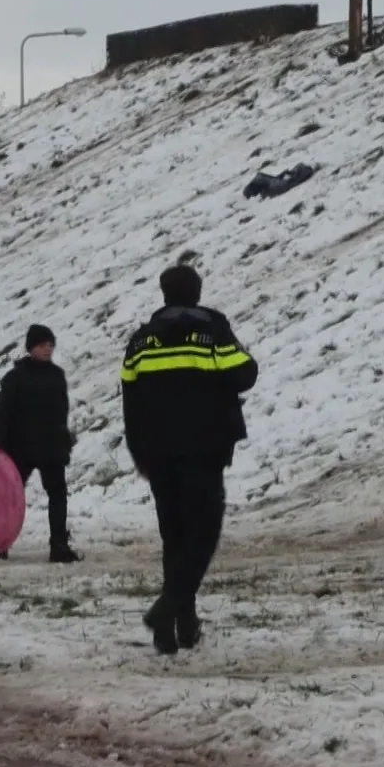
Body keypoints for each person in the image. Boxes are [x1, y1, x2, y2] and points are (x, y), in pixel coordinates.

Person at [120, 264, 258, 655]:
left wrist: (138, 451)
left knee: (174, 536)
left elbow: (129, 400)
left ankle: (179, 627)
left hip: (158, 454)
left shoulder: (140, 341)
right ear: (197, 293)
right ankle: (169, 607)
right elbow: (245, 373)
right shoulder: (211, 331)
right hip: (204, 449)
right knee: (203, 534)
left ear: (164, 294)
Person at [0, 323, 80, 563]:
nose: (47, 349)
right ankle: (1, 542)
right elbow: (2, 415)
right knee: (9, 497)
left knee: (58, 495)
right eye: (42, 345)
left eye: (50, 345)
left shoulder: (57, 376)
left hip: (50, 448)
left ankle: (59, 546)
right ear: (31, 348)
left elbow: (61, 413)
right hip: (20, 450)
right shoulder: (15, 378)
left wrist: (64, 442)